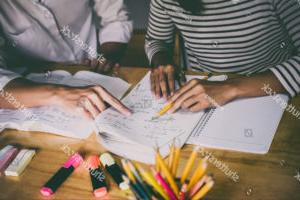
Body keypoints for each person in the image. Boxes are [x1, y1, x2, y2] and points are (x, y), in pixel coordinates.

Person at [145, 0, 300, 113]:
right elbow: (157, 40)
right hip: (204, 93)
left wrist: (231, 87)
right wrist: (161, 59)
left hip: (275, 91)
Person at [0, 0, 133, 118]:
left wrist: (109, 55)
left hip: (90, 67)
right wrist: (58, 94)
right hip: (23, 84)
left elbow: (115, 18)